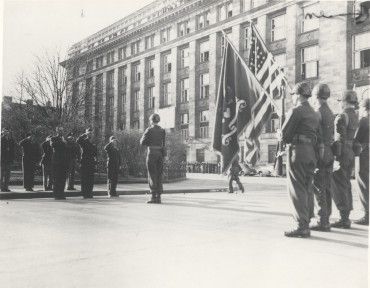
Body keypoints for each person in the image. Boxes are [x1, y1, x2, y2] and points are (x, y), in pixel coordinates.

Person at [280, 82, 322, 238]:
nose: (292, 98)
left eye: (293, 95)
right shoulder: (314, 113)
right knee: (307, 187)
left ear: (298, 95)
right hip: (311, 152)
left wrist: (280, 133)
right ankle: (307, 220)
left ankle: (301, 225)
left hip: (297, 152)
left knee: (297, 188)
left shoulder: (296, 111)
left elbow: (285, 136)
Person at [331, 90, 359, 229]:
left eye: (341, 102)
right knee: (346, 183)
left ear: (344, 102)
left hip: (342, 152)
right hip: (351, 152)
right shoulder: (355, 115)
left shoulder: (342, 116)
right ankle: (346, 215)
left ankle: (344, 218)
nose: (340, 104)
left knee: (339, 184)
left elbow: (339, 138)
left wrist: (335, 157)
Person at [310, 84, 335, 232]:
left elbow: (314, 132)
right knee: (326, 187)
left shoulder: (318, 112)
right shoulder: (329, 111)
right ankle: (326, 217)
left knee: (319, 187)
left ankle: (322, 220)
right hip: (329, 151)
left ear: (315, 96)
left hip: (320, 152)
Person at [140, 113, 166, 204]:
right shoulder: (162, 130)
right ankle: (158, 197)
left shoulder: (149, 130)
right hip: (160, 154)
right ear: (158, 120)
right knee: (159, 174)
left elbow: (142, 142)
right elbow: (164, 144)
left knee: (152, 174)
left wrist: (150, 143)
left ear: (151, 121)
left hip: (151, 153)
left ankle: (153, 196)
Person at [353, 98, 369, 225]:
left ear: (364, 108)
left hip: (364, 153)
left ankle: (366, 214)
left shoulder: (364, 120)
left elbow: (355, 138)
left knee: (363, 183)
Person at [77, 128, 97, 199]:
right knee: (85, 178)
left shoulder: (93, 142)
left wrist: (96, 163)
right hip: (85, 162)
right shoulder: (84, 141)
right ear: (86, 133)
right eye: (89, 133)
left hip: (91, 163)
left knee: (91, 179)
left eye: (91, 133)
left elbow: (95, 153)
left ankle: (89, 193)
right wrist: (84, 134)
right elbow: (78, 141)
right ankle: (85, 193)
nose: (90, 134)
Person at [50, 127, 68, 200]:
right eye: (60, 130)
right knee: (57, 178)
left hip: (63, 161)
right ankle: (56, 194)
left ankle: (61, 193)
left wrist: (64, 142)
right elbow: (53, 145)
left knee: (62, 178)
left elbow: (67, 148)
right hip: (56, 161)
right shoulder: (53, 138)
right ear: (57, 131)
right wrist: (62, 142)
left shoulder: (64, 139)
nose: (61, 132)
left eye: (62, 130)